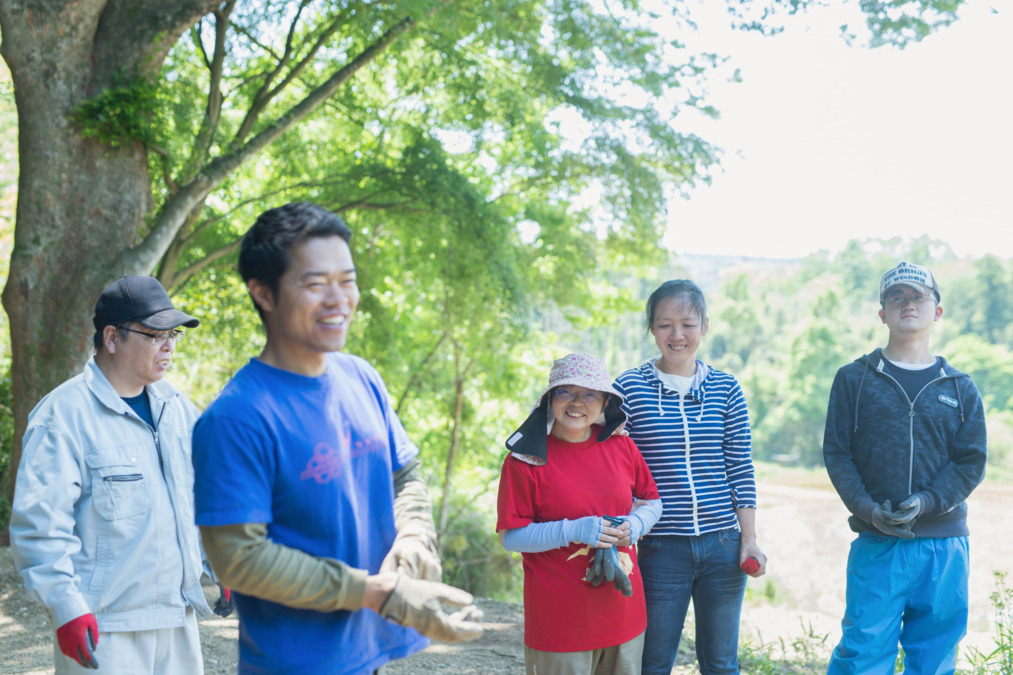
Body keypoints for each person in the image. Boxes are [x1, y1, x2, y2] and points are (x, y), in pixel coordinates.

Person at [190, 201, 483, 674]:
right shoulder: (236, 418)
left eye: (347, 281)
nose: (339, 299)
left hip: (368, 650)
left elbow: (403, 471)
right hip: (296, 662)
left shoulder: (361, 376)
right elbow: (238, 559)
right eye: (314, 283)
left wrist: (413, 537)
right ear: (263, 293)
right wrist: (375, 592)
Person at [10, 275, 229, 674]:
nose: (169, 346)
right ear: (112, 338)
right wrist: (66, 608)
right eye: (155, 335)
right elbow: (39, 526)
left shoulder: (177, 408)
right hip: (104, 629)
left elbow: (202, 496)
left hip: (178, 617)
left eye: (174, 334)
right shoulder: (63, 416)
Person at [823, 261, 987, 673]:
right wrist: (868, 509)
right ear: (882, 313)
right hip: (878, 543)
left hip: (944, 547)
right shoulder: (854, 379)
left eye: (918, 296)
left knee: (934, 660)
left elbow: (971, 461)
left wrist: (930, 500)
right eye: (896, 297)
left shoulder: (960, 387)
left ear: (937, 311)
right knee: (862, 655)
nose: (907, 303)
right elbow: (837, 454)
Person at [612, 279, 766, 675]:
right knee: (654, 662)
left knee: (720, 664)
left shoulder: (726, 388)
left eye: (688, 323)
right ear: (652, 329)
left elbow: (741, 467)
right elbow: (606, 457)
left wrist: (748, 540)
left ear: (705, 326)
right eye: (665, 324)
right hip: (661, 548)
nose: (677, 335)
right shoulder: (627, 388)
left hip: (723, 546)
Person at [497, 352, 662, 675]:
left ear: (604, 403)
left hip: (624, 616)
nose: (577, 402)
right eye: (565, 392)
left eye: (589, 394)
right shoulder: (525, 460)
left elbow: (651, 501)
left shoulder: (621, 446)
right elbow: (511, 536)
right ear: (549, 399)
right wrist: (574, 530)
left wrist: (636, 523)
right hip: (560, 623)